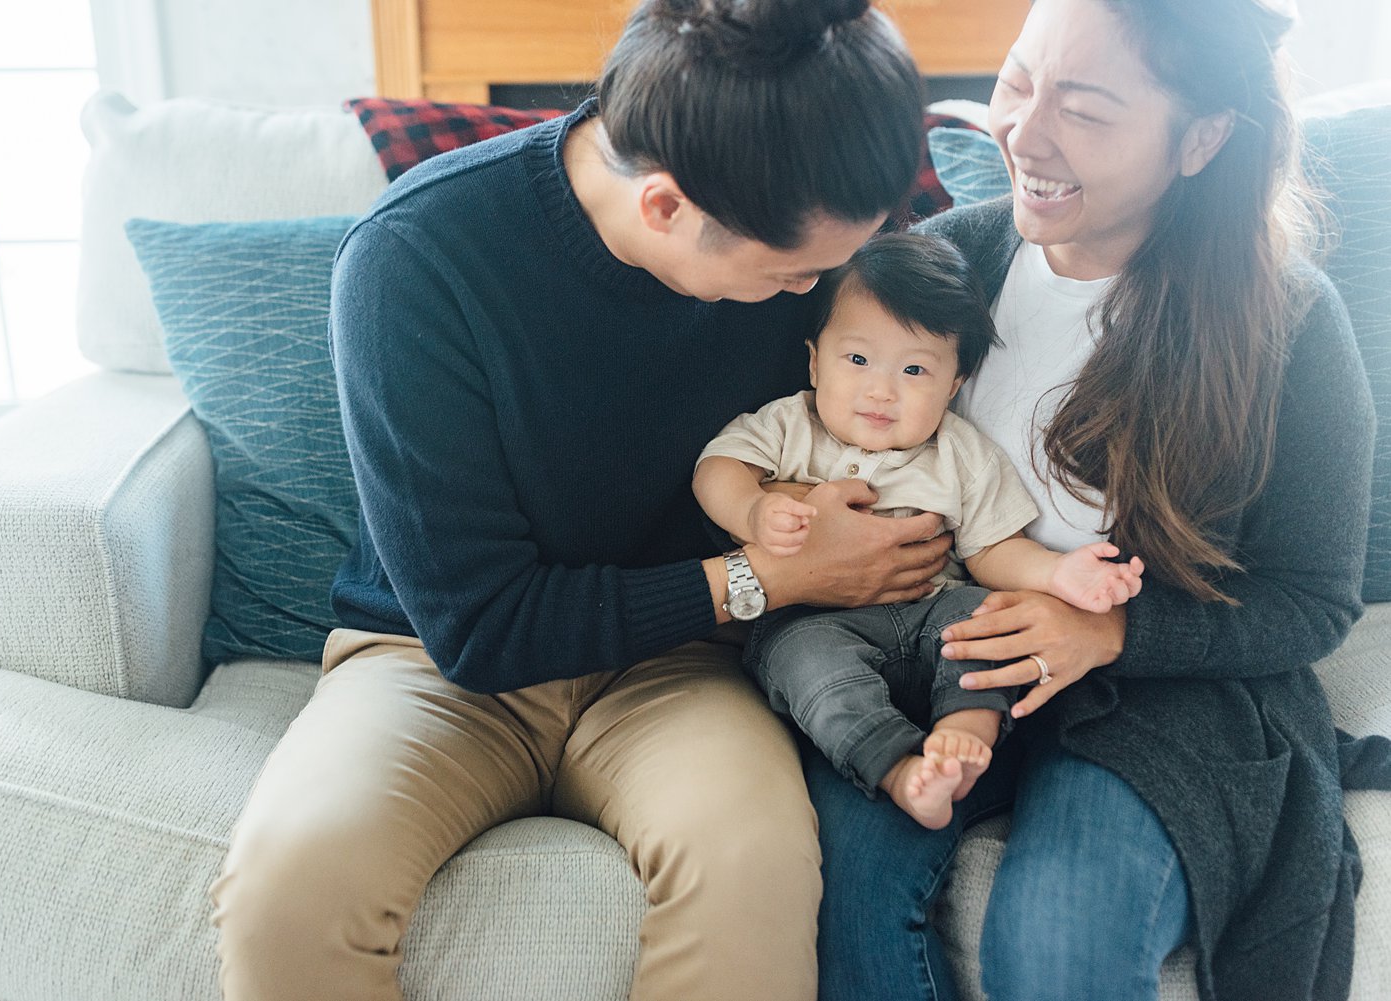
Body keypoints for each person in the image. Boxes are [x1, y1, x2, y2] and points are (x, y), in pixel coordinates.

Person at [206, 2, 947, 999]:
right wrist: (767, 573)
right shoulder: (415, 257)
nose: (817, 291)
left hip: (682, 667)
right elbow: (478, 627)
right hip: (434, 664)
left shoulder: (806, 210)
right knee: (291, 888)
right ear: (666, 207)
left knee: (751, 865)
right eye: (792, 273)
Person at [806, 1, 1379, 1000]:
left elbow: (1315, 601)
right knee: (851, 904)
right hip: (925, 665)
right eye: (1019, 82)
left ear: (1200, 139)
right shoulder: (944, 266)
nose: (1024, 132)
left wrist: (1114, 634)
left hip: (1153, 696)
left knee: (1059, 943)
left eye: (1087, 109)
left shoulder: (1283, 322)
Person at [693, 232, 1144, 829]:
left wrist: (1062, 574)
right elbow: (716, 470)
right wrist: (752, 510)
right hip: (811, 617)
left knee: (984, 619)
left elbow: (994, 548)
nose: (882, 390)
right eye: (857, 361)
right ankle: (899, 769)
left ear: (953, 385)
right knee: (807, 664)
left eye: (914, 370)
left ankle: (964, 736)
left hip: (934, 609)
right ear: (814, 361)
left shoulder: (962, 453)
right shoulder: (790, 425)